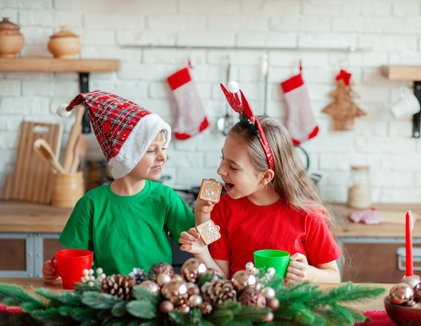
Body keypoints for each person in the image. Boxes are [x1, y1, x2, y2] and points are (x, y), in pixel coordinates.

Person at [180, 83, 342, 283]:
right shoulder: (222, 209)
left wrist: (308, 274)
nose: (220, 171)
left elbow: (334, 277)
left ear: (265, 177)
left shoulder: (308, 215)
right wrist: (202, 251)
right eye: (223, 159)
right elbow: (221, 279)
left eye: (233, 167)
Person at [43, 90, 196, 283]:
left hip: (157, 299)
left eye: (163, 149)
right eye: (151, 150)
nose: (162, 157)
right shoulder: (91, 203)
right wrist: (54, 267)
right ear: (125, 157)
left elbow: (197, 237)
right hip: (106, 299)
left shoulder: (165, 197)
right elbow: (72, 256)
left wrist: (206, 213)